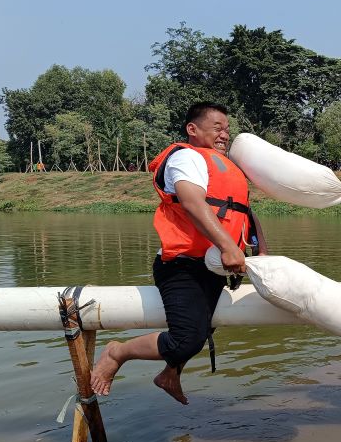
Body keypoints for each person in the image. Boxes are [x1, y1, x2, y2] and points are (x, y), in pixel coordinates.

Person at [91, 102, 268, 405]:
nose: (225, 134)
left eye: (227, 129)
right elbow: (192, 203)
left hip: (215, 266)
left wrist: (261, 251)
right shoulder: (186, 158)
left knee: (202, 328)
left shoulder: (225, 166)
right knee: (187, 337)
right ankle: (117, 352)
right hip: (181, 265)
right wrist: (228, 246)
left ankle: (169, 374)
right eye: (217, 128)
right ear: (193, 129)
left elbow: (244, 212)